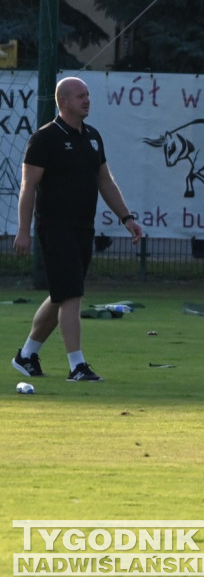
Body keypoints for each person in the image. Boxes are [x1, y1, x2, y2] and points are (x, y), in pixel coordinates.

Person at [11, 77, 144, 382]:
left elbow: (105, 181)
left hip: (83, 227)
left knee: (61, 294)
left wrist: (127, 218)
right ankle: (77, 366)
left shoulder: (93, 137)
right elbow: (28, 186)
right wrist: (23, 231)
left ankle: (27, 355)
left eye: (88, 95)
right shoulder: (44, 139)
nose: (87, 100)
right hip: (54, 227)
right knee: (72, 293)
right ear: (65, 102)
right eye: (81, 96)